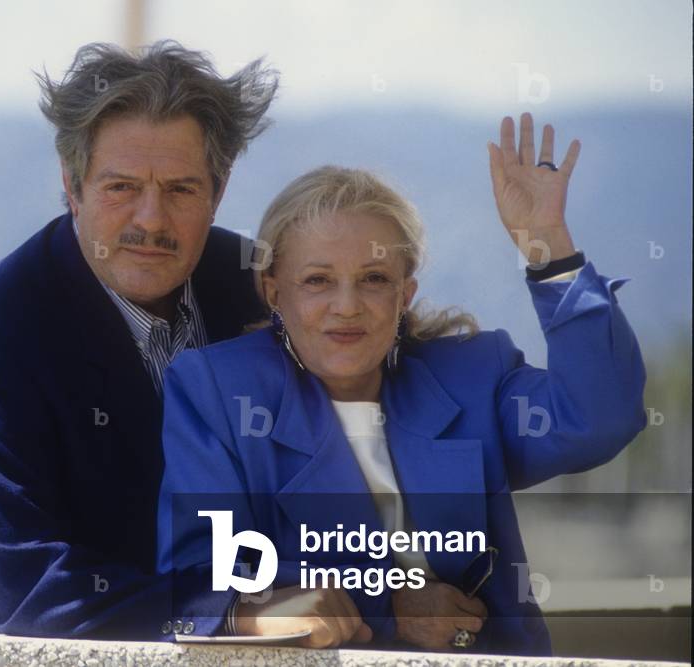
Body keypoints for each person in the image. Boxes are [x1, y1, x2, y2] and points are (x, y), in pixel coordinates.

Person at [156, 114, 647, 654]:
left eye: (374, 279)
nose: (347, 306)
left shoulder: (472, 375)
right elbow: (202, 579)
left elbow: (599, 420)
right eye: (318, 280)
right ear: (275, 294)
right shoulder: (218, 390)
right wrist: (389, 610)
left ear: (404, 295)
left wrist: (550, 247)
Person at [0, 41, 277, 639]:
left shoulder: (266, 287)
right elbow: (25, 591)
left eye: (181, 189)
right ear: (73, 185)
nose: (151, 220)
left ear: (218, 192)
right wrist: (231, 612)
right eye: (121, 187)